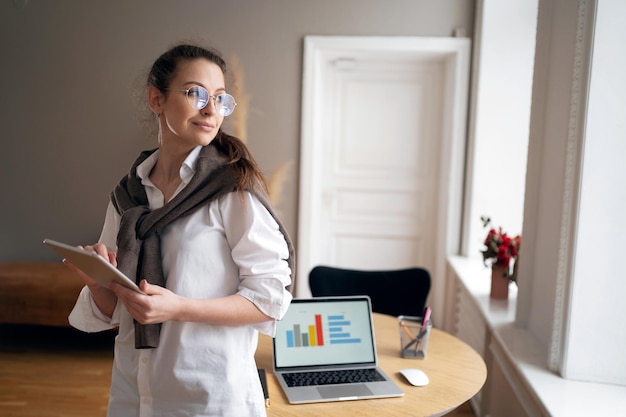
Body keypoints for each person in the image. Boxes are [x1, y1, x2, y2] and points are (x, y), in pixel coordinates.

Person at [65, 43, 294, 417]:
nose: (210, 109)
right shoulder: (127, 196)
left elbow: (269, 299)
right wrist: (96, 280)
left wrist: (179, 308)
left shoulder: (232, 191)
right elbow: (114, 309)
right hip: (133, 392)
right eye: (195, 93)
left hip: (211, 397)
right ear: (156, 100)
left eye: (220, 98)